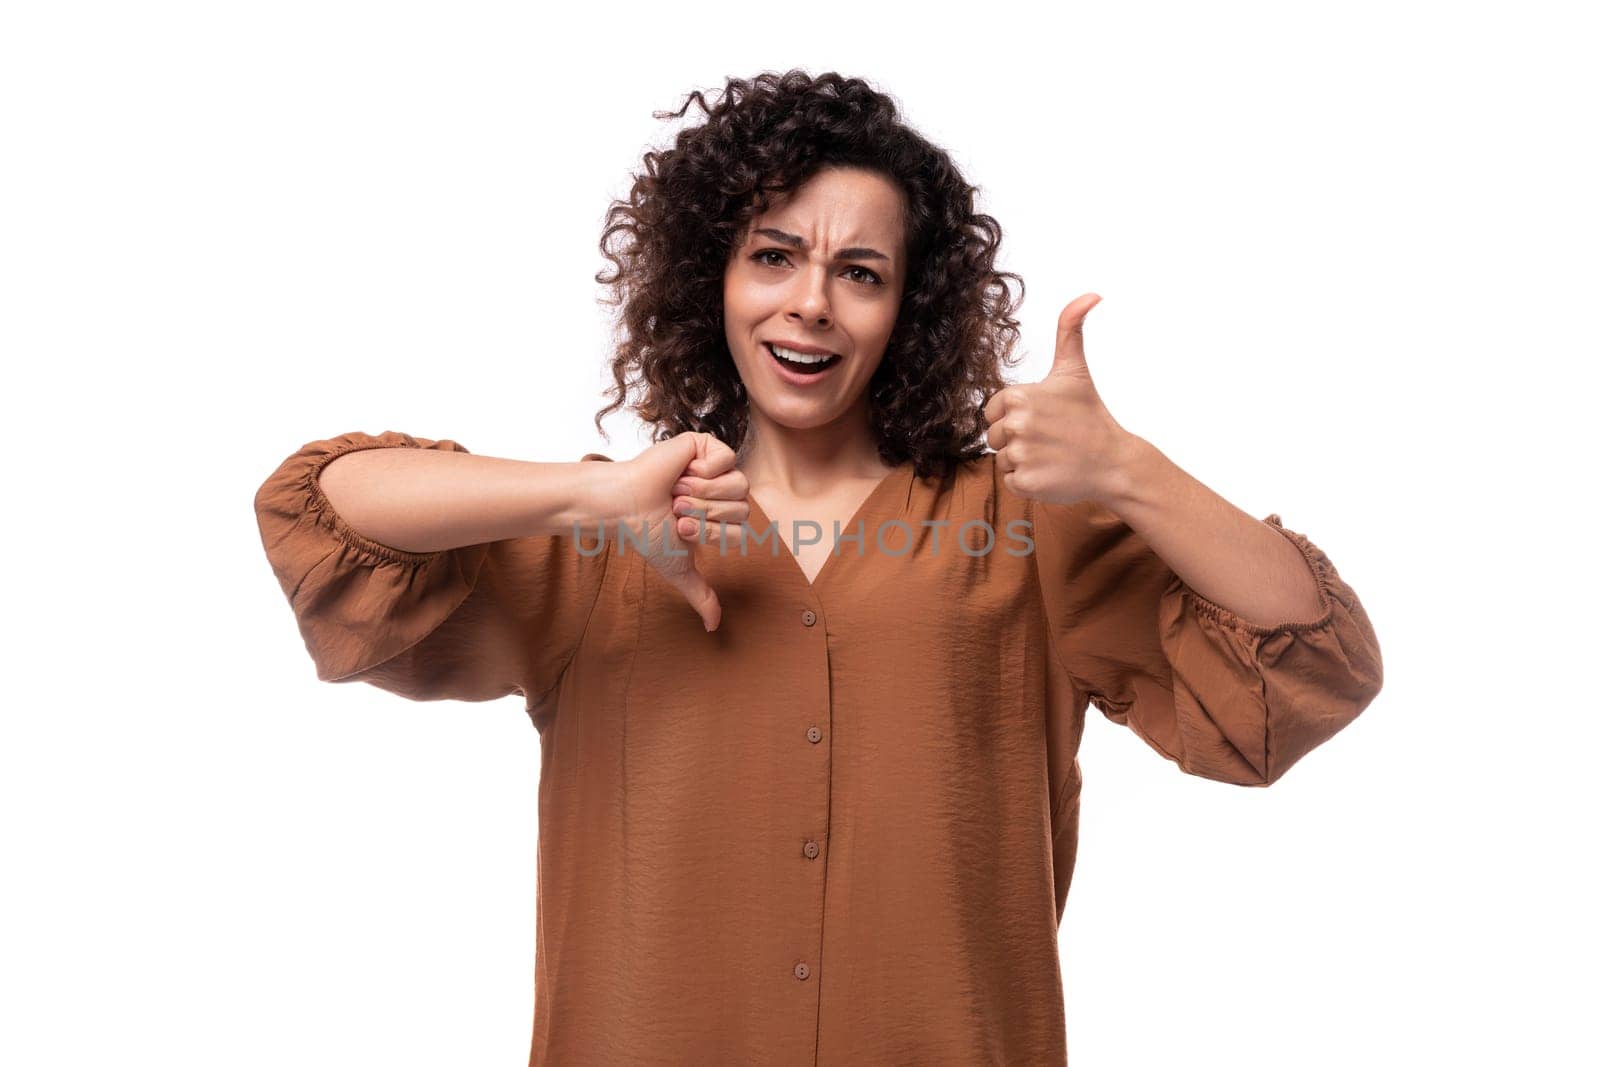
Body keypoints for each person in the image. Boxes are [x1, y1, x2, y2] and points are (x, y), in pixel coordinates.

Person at [254, 70, 1384, 1066]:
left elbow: (1318, 656)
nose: (809, 302)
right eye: (774, 256)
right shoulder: (620, 527)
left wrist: (1130, 470)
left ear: (910, 310)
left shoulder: (1023, 526)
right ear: (714, 278)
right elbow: (323, 509)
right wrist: (589, 492)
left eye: (859, 271)